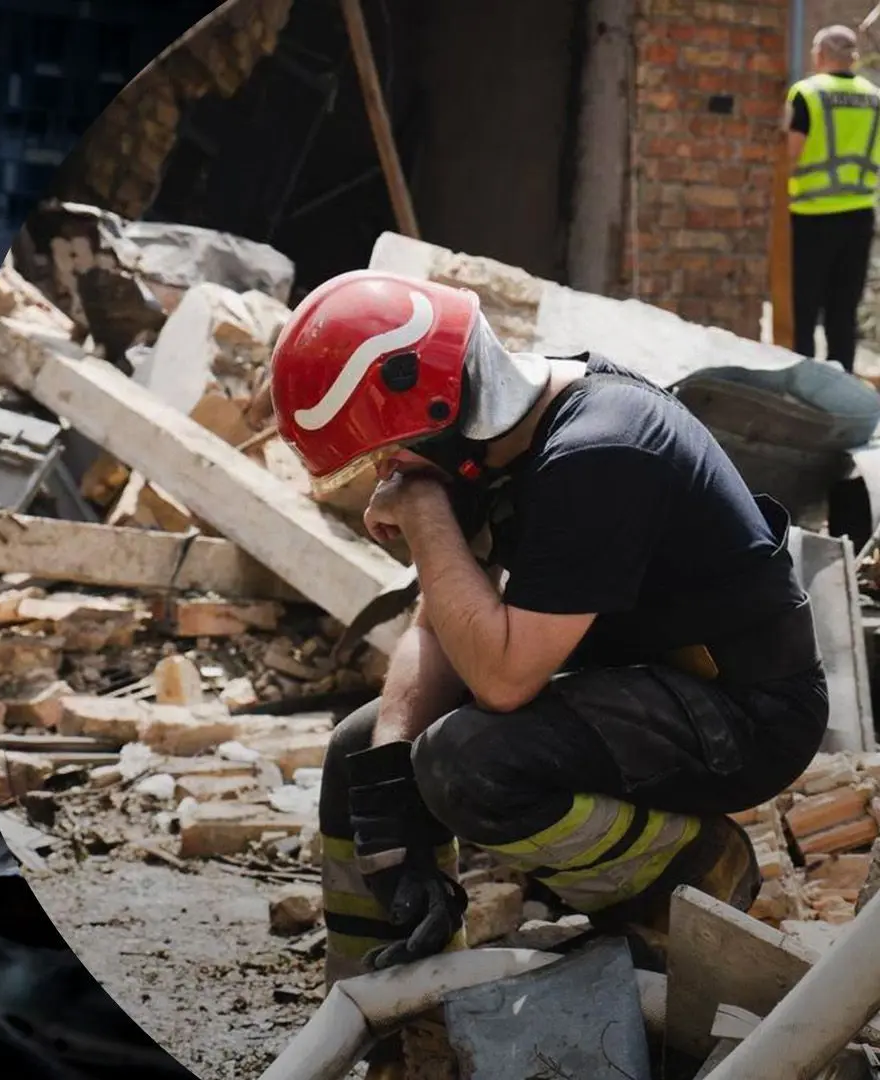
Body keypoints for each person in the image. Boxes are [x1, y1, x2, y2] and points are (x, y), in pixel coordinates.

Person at [269, 272, 826, 1018]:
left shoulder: (600, 449)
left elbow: (502, 681)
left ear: (434, 414)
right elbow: (439, 627)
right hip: (642, 687)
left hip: (745, 714)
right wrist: (386, 805)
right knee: (362, 749)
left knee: (468, 762)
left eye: (389, 454)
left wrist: (427, 512)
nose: (384, 479)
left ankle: (690, 871)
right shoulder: (494, 440)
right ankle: (391, 1014)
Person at [787, 24, 880, 371]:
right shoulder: (874, 96)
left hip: (810, 214)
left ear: (821, 54)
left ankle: (802, 383)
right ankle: (840, 386)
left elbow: (789, 155)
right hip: (858, 215)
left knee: (805, 310)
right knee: (844, 310)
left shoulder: (808, 94)